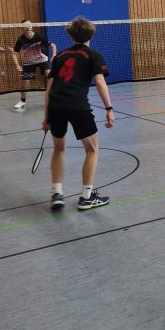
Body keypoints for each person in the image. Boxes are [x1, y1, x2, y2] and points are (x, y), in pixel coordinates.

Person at [43, 16, 114, 211]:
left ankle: (57, 193)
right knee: (92, 150)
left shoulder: (59, 56)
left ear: (71, 34)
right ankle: (87, 197)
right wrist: (109, 108)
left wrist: (46, 116)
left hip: (56, 106)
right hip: (77, 106)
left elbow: (49, 88)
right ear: (91, 34)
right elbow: (100, 82)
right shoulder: (93, 54)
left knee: (58, 149)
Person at [13, 20, 56, 109]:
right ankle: (22, 101)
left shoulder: (39, 37)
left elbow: (53, 46)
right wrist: (17, 64)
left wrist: (54, 56)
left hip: (41, 59)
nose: (28, 26)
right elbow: (14, 53)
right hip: (29, 62)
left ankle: (52, 99)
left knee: (49, 74)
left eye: (29, 24)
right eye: (26, 25)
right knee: (25, 83)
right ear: (22, 28)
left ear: (32, 26)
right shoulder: (20, 39)